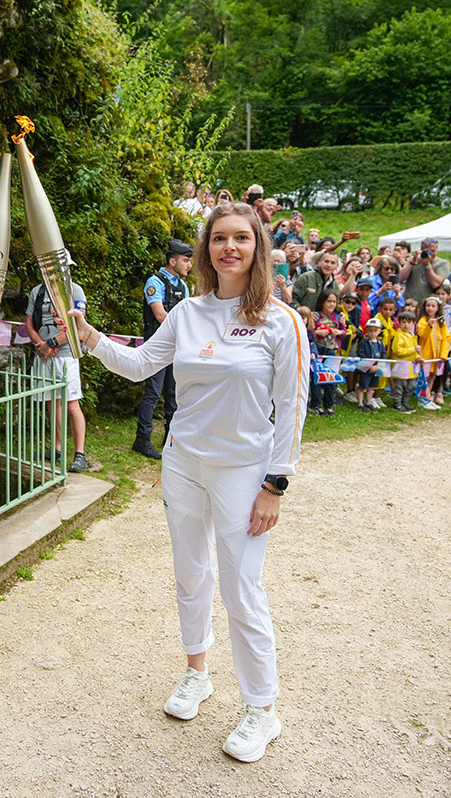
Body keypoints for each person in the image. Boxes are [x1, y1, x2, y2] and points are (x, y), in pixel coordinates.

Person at [62, 201, 308, 764]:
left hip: (245, 472)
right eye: (219, 238)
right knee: (190, 575)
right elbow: (143, 364)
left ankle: (262, 709)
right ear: (206, 250)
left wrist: (275, 484)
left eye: (241, 239)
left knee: (242, 588)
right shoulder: (188, 312)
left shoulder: (279, 320)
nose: (229, 248)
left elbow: (292, 409)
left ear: (258, 248)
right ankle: (197, 672)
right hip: (183, 463)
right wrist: (92, 335)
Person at [134, 238, 193, 459]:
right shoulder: (155, 282)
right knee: (153, 392)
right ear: (172, 260)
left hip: (177, 346)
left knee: (173, 394)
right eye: (186, 261)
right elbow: (159, 315)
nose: (189, 265)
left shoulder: (183, 286)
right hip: (157, 346)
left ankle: (171, 438)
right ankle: (142, 440)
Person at [25, 278, 89, 472]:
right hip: (44, 353)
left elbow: (78, 326)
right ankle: (57, 449)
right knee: (52, 403)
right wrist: (40, 344)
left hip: (66, 354)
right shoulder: (37, 291)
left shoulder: (74, 290)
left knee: (71, 404)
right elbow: (29, 322)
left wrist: (52, 343)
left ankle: (80, 453)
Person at [310, 290, 344, 416]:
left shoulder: (339, 317)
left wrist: (339, 332)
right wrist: (316, 333)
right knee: (317, 378)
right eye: (329, 301)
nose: (331, 304)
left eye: (334, 302)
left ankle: (329, 406)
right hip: (318, 349)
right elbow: (308, 331)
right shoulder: (316, 316)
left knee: (331, 378)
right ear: (322, 302)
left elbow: (345, 331)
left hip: (332, 350)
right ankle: (315, 404)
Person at [417, 296, 450, 409]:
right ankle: (422, 398)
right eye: (428, 305)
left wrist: (443, 354)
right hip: (426, 354)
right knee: (424, 377)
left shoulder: (441, 323)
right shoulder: (423, 321)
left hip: (437, 355)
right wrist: (429, 326)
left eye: (433, 306)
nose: (430, 308)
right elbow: (422, 335)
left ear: (437, 308)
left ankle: (428, 396)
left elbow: (446, 338)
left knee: (432, 376)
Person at [400, 237, 451, 305]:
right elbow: (400, 278)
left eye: (433, 251)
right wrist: (413, 261)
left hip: (429, 306)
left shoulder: (442, 263)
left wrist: (427, 265)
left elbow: (435, 284)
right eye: (427, 251)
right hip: (410, 304)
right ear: (421, 250)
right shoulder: (413, 260)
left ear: (437, 250)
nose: (430, 254)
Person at [388, 310, 421, 413]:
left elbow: (415, 350)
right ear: (399, 323)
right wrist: (413, 350)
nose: (406, 325)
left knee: (411, 386)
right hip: (401, 365)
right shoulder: (399, 335)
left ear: (413, 324)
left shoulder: (412, 335)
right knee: (400, 386)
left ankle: (404, 402)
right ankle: (397, 404)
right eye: (404, 322)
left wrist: (418, 357)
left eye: (409, 322)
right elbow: (398, 351)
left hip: (411, 366)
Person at [355, 318, 387, 412]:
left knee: (371, 386)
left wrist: (378, 365)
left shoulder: (380, 343)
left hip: (376, 369)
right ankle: (360, 403)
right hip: (366, 369)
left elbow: (383, 354)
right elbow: (361, 354)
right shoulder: (363, 342)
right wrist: (369, 365)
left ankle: (369, 402)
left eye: (375, 330)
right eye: (370, 330)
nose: (372, 333)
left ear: (379, 331)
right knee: (362, 386)